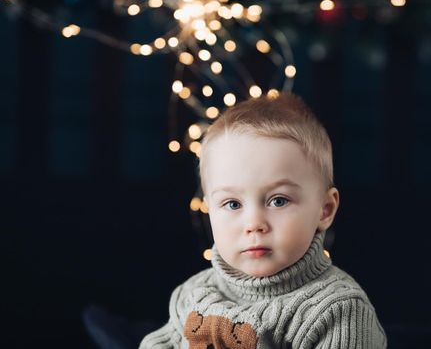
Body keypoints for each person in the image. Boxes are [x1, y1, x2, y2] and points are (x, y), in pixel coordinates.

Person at [140, 93, 387, 349]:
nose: (254, 224)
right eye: (233, 204)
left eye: (278, 200)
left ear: (324, 210)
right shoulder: (193, 294)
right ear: (210, 210)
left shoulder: (337, 310)